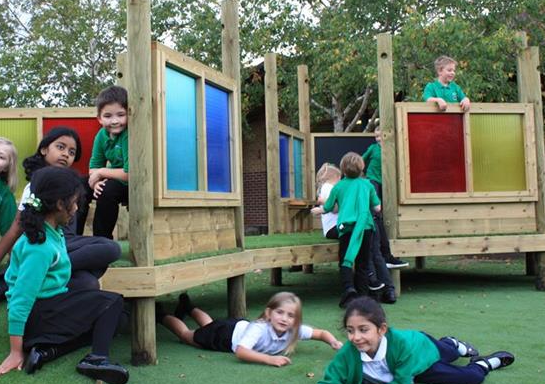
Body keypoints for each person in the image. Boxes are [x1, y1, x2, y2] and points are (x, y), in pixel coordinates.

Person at [0, 166, 129, 384]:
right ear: (59, 205)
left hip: (49, 305)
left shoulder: (53, 232)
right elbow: (21, 298)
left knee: (118, 319)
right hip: (38, 316)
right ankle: (97, 359)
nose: (76, 208)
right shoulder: (39, 247)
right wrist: (15, 351)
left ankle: (48, 352)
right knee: (112, 302)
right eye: (74, 202)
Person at [0, 127, 121, 306]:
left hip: (65, 245)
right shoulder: (37, 186)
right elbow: (15, 229)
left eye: (71, 152)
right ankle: (21, 275)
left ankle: (12, 284)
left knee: (89, 283)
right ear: (44, 149)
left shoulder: (72, 185)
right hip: (45, 247)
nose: (65, 154)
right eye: (60, 147)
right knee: (111, 248)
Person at [316, 297, 515, 384]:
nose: (356, 337)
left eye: (363, 329)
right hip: (412, 372)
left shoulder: (402, 346)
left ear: (381, 329)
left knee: (454, 357)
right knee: (468, 372)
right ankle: (482, 362)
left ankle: (457, 346)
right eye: (350, 330)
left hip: (421, 350)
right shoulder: (347, 353)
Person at [156, 291, 342, 367]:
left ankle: (188, 307)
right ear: (268, 313)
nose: (285, 319)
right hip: (225, 336)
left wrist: (333, 341)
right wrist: (269, 359)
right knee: (187, 335)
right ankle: (161, 315)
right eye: (280, 313)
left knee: (208, 325)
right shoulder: (260, 329)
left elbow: (321, 333)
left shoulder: (293, 329)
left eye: (291, 315)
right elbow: (241, 351)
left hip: (235, 327)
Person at [317, 152, 381, 308]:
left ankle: (349, 291)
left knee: (345, 261)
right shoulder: (368, 185)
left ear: (343, 170)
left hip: (346, 228)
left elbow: (328, 207)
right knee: (363, 263)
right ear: (362, 167)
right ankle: (363, 297)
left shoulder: (338, 186)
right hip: (365, 228)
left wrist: (318, 210)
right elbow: (377, 208)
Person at [80, 85, 129, 239]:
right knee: (79, 186)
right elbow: (94, 167)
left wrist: (101, 173)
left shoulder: (129, 134)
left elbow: (130, 174)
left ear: (129, 114)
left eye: (120, 115)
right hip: (114, 179)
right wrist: (95, 183)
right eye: (108, 116)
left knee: (106, 190)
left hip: (132, 185)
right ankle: (71, 237)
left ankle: (101, 240)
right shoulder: (101, 136)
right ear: (99, 119)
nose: (114, 121)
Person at [362, 130, 407, 270]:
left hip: (386, 179)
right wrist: (361, 174)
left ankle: (381, 220)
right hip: (373, 178)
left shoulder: (391, 148)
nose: (378, 139)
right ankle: (375, 218)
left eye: (380, 136)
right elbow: (362, 159)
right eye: (375, 136)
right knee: (375, 204)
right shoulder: (373, 148)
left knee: (386, 205)